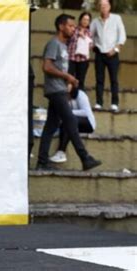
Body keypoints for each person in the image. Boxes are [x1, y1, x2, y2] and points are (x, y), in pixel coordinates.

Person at [36, 14, 101, 171]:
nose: (74, 29)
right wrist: (68, 76)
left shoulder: (64, 47)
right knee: (70, 120)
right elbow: (47, 66)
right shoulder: (54, 44)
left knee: (50, 127)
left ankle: (42, 163)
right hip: (55, 90)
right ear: (61, 27)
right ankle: (85, 158)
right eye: (71, 26)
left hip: (60, 90)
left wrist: (69, 81)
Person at [90, 0, 127, 112]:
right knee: (99, 79)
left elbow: (122, 36)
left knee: (114, 80)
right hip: (100, 54)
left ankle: (114, 103)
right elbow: (90, 35)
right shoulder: (95, 21)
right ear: (98, 8)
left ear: (109, 7)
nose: (103, 7)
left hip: (113, 54)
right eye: (101, 5)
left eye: (105, 5)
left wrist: (115, 49)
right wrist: (92, 45)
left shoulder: (117, 18)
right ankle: (99, 103)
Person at [49, 88, 96, 163]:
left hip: (88, 123)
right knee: (67, 123)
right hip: (74, 123)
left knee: (69, 121)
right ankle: (61, 153)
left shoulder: (81, 95)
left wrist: (68, 112)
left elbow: (86, 112)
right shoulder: (62, 97)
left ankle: (61, 152)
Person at [67, 12, 92, 92]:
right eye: (84, 19)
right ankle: (67, 100)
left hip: (83, 60)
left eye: (87, 20)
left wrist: (84, 37)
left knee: (80, 81)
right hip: (71, 58)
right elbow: (68, 41)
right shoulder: (73, 29)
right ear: (80, 20)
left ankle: (78, 99)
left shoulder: (89, 33)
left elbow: (91, 46)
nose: (85, 21)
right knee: (69, 80)